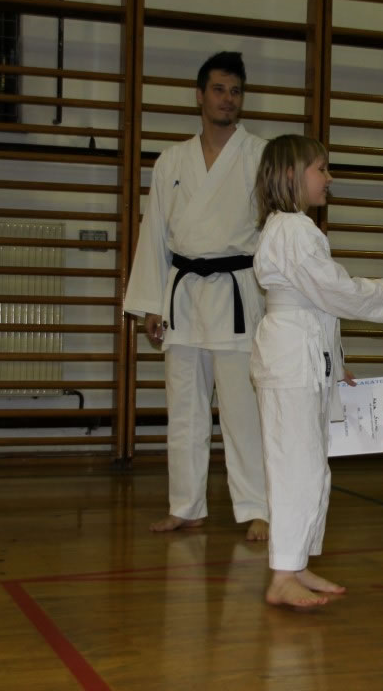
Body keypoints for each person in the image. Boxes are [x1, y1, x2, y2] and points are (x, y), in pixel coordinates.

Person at [251, 135, 383, 607]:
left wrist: (337, 362)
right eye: (321, 168)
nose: (329, 178)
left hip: (305, 355)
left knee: (312, 468)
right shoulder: (293, 229)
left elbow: (318, 303)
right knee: (296, 467)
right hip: (292, 360)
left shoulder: (292, 228)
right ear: (291, 174)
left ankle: (297, 564)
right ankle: (282, 575)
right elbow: (335, 291)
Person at [124, 51, 269, 541]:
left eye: (236, 91)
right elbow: (154, 232)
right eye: (219, 90)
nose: (228, 99)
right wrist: (150, 302)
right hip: (183, 295)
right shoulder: (172, 160)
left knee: (243, 410)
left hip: (237, 294)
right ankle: (186, 505)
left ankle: (257, 507)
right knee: (184, 407)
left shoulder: (260, 156)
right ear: (200, 96)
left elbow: (276, 231)